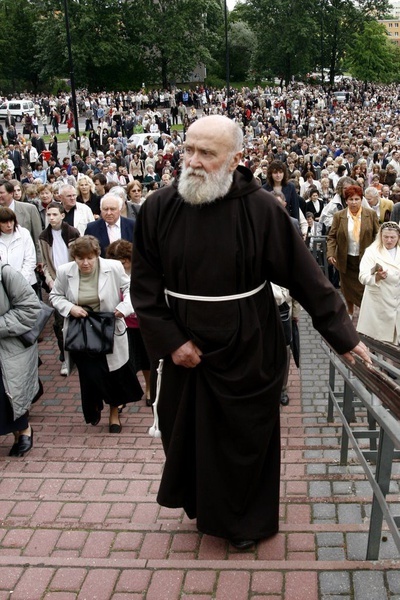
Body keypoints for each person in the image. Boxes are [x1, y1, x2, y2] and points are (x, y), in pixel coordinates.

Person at [131, 115, 370, 550]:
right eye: (189, 150)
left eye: (207, 153)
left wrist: (344, 335)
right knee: (184, 433)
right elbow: (144, 287)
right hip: (183, 343)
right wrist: (171, 340)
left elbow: (305, 275)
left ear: (235, 158)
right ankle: (203, 506)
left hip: (248, 343)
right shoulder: (158, 207)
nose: (194, 161)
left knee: (245, 439)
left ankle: (244, 525)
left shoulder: (261, 208)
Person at [49, 236, 143, 431]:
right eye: (80, 259)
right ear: (73, 258)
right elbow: (55, 295)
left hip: (108, 326)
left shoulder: (113, 267)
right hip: (81, 330)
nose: (85, 263)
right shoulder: (65, 272)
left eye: (89, 258)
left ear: (97, 255)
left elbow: (130, 288)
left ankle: (114, 413)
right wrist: (70, 307)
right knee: (90, 373)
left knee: (113, 372)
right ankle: (94, 405)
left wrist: (124, 307)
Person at [0, 262, 42, 456]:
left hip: (9, 346)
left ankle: (22, 429)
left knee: (7, 392)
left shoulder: (6, 273)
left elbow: (30, 309)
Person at [106, 240, 151, 403]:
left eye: (123, 262)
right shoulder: (110, 275)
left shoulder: (141, 273)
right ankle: (124, 395)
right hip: (122, 326)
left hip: (142, 324)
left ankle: (149, 387)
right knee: (124, 362)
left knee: (146, 359)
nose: (120, 266)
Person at [39, 202, 80, 375]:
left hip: (75, 279)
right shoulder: (43, 236)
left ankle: (80, 354)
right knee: (59, 324)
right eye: (49, 215)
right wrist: (49, 281)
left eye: (55, 214)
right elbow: (44, 263)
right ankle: (65, 357)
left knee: (78, 318)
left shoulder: (73, 233)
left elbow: (81, 255)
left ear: (62, 215)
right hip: (56, 282)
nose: (51, 218)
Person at [327, 185, 380, 316]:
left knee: (364, 287)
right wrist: (330, 254)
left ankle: (365, 313)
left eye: (357, 199)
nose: (354, 202)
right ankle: (350, 311)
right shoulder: (339, 216)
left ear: (361, 200)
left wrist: (377, 253)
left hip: (366, 259)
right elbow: (332, 237)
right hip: (346, 259)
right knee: (347, 289)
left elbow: (377, 235)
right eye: (351, 199)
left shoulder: (370, 214)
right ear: (346, 201)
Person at [357, 222, 400, 345]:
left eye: (393, 237)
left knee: (394, 343)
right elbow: (363, 276)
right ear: (380, 236)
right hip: (378, 304)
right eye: (385, 237)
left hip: (397, 304)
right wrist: (376, 277)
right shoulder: (372, 252)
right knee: (377, 342)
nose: (389, 240)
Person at [84, 192, 135, 257]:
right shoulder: (91, 228)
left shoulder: (132, 225)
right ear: (100, 209)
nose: (108, 213)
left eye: (112, 209)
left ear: (120, 209)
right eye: (105, 209)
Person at [0, 207, 37, 288]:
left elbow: (30, 260)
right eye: (5, 222)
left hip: (26, 283)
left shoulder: (24, 233)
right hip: (2, 285)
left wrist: (20, 281)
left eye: (11, 221)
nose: (9, 225)